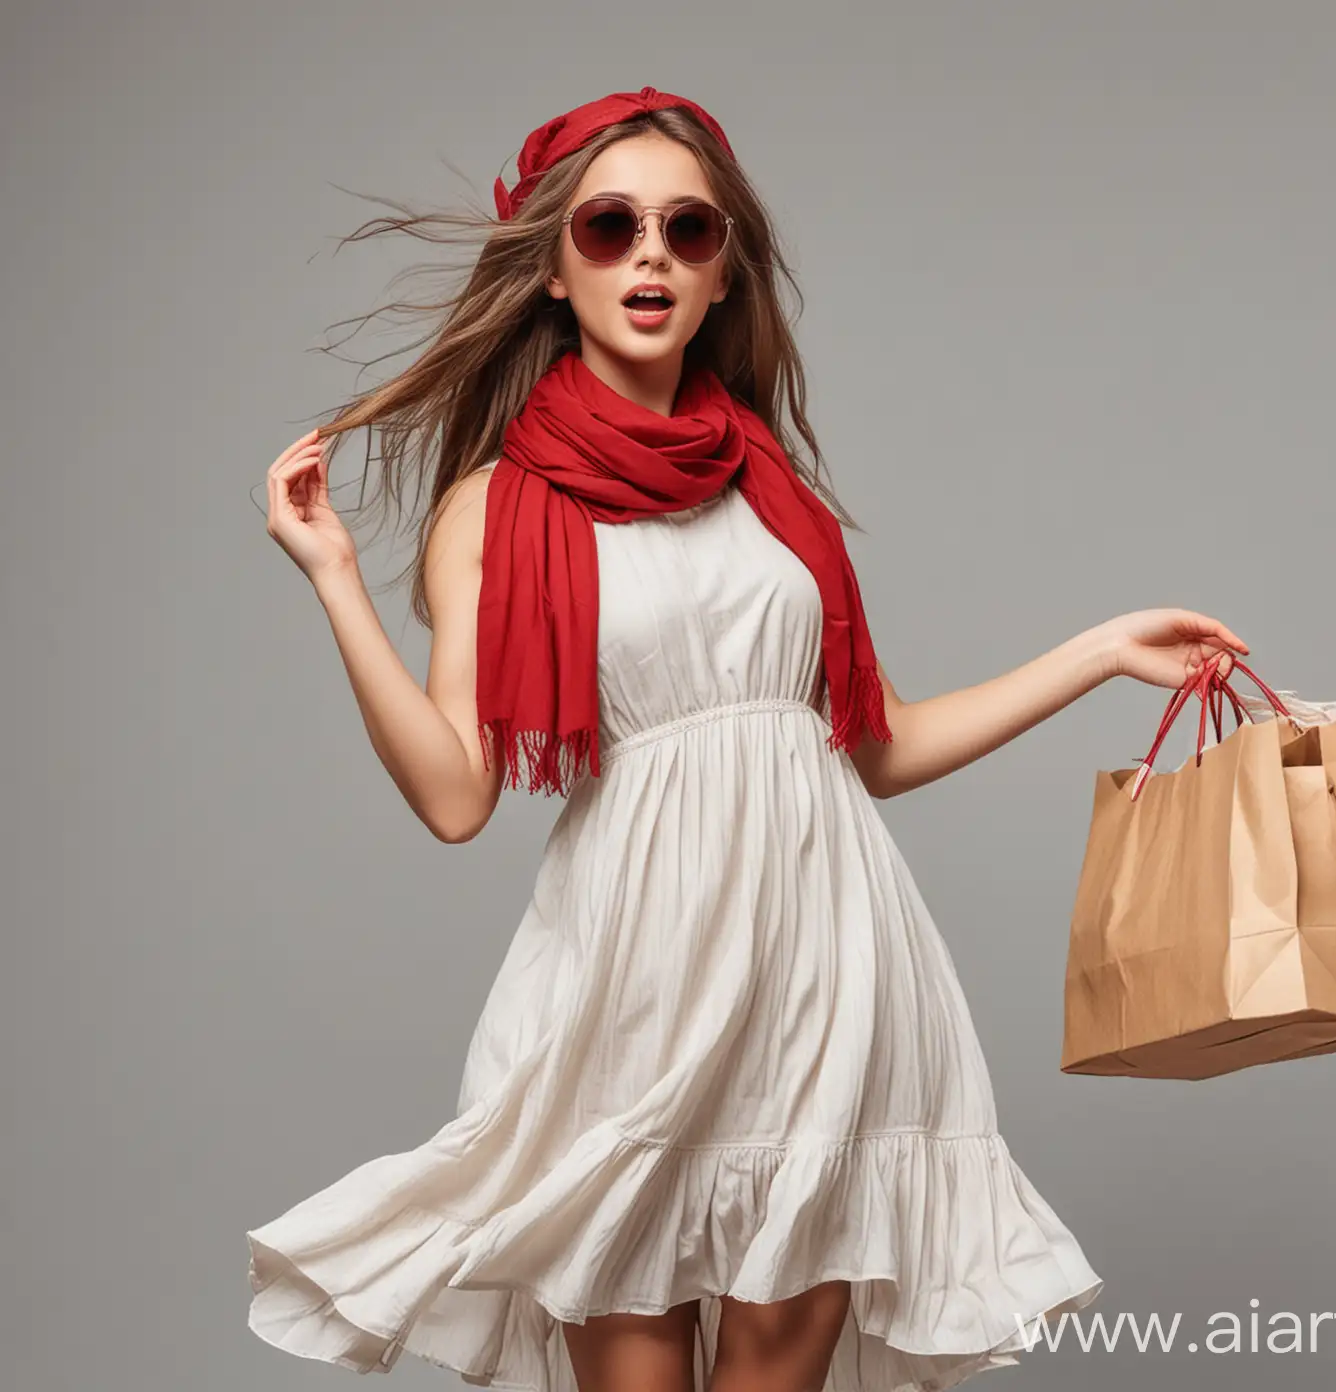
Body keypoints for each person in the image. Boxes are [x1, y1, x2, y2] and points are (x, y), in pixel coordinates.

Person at [246, 86, 1247, 1392]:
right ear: (554, 268)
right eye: (609, 226)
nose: (650, 252)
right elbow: (456, 797)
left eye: (688, 228)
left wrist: (1099, 653)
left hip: (829, 971)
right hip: (640, 981)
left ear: (725, 274)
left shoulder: (769, 484)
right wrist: (331, 576)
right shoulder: (498, 506)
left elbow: (864, 750)